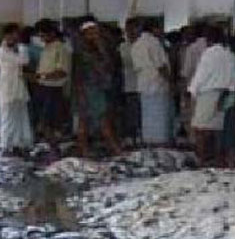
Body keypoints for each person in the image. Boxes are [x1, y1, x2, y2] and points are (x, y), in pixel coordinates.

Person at [189, 27, 235, 167]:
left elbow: (201, 75)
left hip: (208, 94)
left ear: (208, 39)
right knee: (217, 129)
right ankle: (217, 158)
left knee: (200, 128)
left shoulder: (209, 54)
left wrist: (192, 90)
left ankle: (201, 158)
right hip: (224, 93)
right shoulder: (229, 54)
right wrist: (229, 92)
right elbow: (234, 78)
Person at [73, 21, 123, 157]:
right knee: (99, 120)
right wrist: (80, 93)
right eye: (91, 32)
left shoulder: (100, 48)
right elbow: (78, 74)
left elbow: (109, 66)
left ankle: (84, 150)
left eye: (96, 32)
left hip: (98, 88)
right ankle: (113, 149)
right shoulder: (82, 52)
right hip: (89, 89)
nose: (95, 35)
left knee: (89, 121)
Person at [132, 22, 172, 146]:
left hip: (143, 84)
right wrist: (170, 81)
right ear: (154, 29)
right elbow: (161, 65)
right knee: (159, 115)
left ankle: (149, 140)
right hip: (157, 83)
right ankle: (159, 142)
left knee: (147, 115)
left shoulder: (136, 44)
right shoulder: (154, 43)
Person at [0, 24, 32, 157]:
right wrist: (18, 49)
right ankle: (5, 146)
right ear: (7, 35)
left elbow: (25, 61)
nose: (17, 36)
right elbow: (19, 61)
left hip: (19, 87)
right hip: (7, 88)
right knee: (7, 118)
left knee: (21, 117)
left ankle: (20, 144)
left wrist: (19, 48)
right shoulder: (1, 50)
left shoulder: (21, 48)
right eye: (14, 33)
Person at [36, 19, 70, 153]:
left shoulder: (61, 48)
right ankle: (48, 144)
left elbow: (62, 72)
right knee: (44, 120)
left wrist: (42, 76)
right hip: (43, 87)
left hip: (54, 88)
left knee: (53, 120)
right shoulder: (46, 48)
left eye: (43, 35)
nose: (41, 39)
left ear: (52, 33)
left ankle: (55, 146)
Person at [119, 18, 141, 148]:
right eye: (128, 30)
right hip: (129, 84)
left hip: (143, 85)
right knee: (130, 112)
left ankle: (139, 136)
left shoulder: (143, 45)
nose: (131, 32)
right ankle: (130, 137)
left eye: (134, 29)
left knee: (141, 113)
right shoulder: (122, 47)